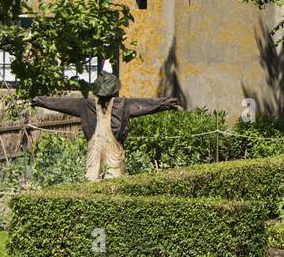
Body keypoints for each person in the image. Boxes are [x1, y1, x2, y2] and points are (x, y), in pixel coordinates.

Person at [32, 72, 177, 181]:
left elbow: (146, 104)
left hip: (108, 154)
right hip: (98, 154)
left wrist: (165, 104)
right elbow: (62, 103)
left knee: (109, 183)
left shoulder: (120, 105)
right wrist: (41, 101)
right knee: (96, 183)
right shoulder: (92, 105)